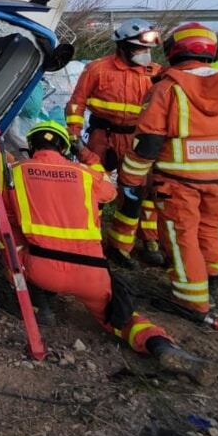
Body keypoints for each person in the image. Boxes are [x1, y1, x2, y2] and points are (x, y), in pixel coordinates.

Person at [5, 120, 212, 382]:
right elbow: (110, 192)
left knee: (9, 237)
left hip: (41, 268)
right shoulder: (86, 174)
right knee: (119, 316)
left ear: (31, 146)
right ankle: (158, 344)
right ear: (64, 147)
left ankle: (38, 303)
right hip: (92, 273)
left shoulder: (17, 172)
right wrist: (87, 155)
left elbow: (4, 214)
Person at [120, 23, 218, 315]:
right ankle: (213, 277)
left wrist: (130, 178)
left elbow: (148, 141)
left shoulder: (168, 88)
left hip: (177, 182)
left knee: (181, 237)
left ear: (173, 50)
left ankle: (191, 300)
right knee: (208, 230)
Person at [65, 18, 164, 267]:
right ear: (123, 47)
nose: (144, 55)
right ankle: (91, 241)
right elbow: (77, 103)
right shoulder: (98, 69)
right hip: (102, 137)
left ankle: (127, 246)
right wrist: (74, 135)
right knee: (93, 190)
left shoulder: (157, 73)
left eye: (147, 50)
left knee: (137, 191)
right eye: (139, 49)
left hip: (136, 139)